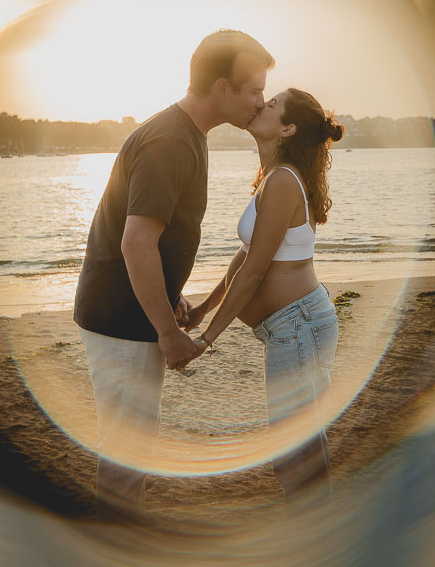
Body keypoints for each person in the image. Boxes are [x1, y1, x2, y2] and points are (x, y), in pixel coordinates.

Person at [73, 29, 274, 521]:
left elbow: (154, 240)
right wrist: (167, 332)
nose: (260, 102)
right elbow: (135, 243)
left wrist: (170, 295)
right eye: (254, 91)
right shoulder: (169, 142)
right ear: (222, 89)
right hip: (122, 321)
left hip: (132, 310)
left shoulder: (187, 135)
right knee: (126, 456)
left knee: (132, 452)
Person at [184, 88, 345, 504]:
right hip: (296, 327)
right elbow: (245, 257)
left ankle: (317, 534)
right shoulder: (274, 176)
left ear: (288, 129)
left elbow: (255, 272)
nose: (261, 104)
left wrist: (206, 339)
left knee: (296, 458)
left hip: (299, 327)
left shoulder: (284, 181)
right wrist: (203, 309)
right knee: (301, 453)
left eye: (272, 104)